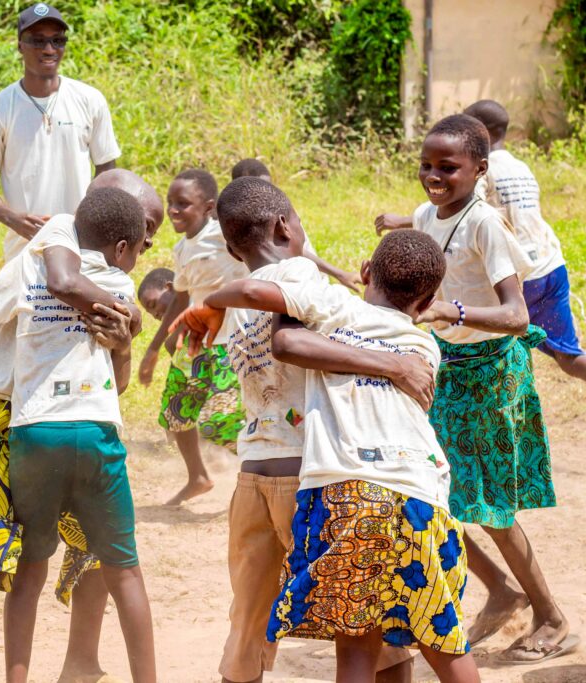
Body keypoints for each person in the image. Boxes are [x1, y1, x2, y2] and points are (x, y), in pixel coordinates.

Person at [174, 228, 481, 683]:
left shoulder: (337, 311)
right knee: (442, 640)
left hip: (350, 494)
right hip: (425, 498)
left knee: (355, 644)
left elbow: (280, 330)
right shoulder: (425, 348)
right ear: (429, 300)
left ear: (364, 273)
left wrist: (211, 301)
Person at [0, 169, 163, 683]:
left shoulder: (96, 280)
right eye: (145, 232)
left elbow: (116, 376)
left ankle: (79, 662)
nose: (149, 244)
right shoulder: (53, 243)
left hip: (37, 422)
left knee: (86, 550)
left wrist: (123, 337)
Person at [379, 114, 576, 663]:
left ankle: (552, 616)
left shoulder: (485, 223)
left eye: (448, 167)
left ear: (480, 169)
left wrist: (451, 309)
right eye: (427, 164)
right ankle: (501, 589)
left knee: (489, 506)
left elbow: (515, 314)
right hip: (448, 366)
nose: (434, 175)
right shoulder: (425, 215)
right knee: (427, 488)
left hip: (492, 373)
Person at [0, 2, 121, 263]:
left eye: (57, 40)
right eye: (37, 41)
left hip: (84, 242)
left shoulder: (90, 100)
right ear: (20, 45)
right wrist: (14, 220)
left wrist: (91, 219)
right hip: (26, 246)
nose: (49, 49)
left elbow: (107, 172)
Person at [139, 168, 246, 506]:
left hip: (231, 343)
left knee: (220, 423)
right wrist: (154, 349)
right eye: (170, 202)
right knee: (175, 412)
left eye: (182, 204)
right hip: (195, 343)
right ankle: (198, 477)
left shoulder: (226, 239)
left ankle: (276, 464)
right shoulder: (182, 249)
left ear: (208, 207)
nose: (172, 210)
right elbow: (182, 298)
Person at [467, 100, 586, 380]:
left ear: (480, 132)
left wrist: (404, 221)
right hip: (551, 267)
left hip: (519, 276)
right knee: (569, 358)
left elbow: (467, 214)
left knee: (485, 347)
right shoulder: (521, 167)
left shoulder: (482, 170)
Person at [231, 157, 361, 291]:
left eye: (269, 187)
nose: (266, 195)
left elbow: (298, 250)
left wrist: (341, 274)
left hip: (307, 286)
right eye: (257, 191)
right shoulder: (239, 225)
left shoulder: (280, 210)